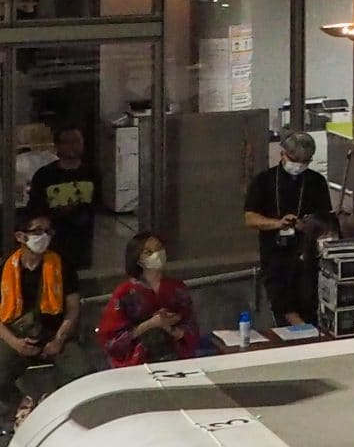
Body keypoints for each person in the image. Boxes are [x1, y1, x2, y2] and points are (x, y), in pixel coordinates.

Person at [242, 130, 335, 328]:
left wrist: (308, 224)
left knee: (308, 300)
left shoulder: (316, 182)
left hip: (307, 257)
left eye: (305, 162)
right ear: (282, 154)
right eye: (295, 160)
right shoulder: (263, 181)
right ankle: (300, 331)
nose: (298, 166)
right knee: (282, 303)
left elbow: (326, 219)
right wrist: (278, 223)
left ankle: (307, 331)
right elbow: (250, 218)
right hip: (275, 256)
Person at [0, 210, 73, 413]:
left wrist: (58, 340)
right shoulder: (5, 267)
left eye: (48, 231)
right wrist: (14, 342)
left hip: (53, 333)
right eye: (38, 231)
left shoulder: (62, 265)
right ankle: (23, 406)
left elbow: (73, 310)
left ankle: (56, 408)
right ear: (20, 237)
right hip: (16, 334)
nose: (45, 236)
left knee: (81, 372)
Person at [98, 232, 205, 365]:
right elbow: (111, 341)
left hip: (176, 359)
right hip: (137, 363)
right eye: (149, 252)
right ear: (138, 259)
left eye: (159, 248)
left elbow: (191, 327)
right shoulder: (125, 292)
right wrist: (150, 324)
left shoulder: (177, 288)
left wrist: (170, 327)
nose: (157, 254)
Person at [24, 128, 97, 294]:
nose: (73, 146)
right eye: (67, 141)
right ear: (58, 146)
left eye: (77, 141)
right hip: (53, 239)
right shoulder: (45, 175)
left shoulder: (91, 172)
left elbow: (96, 202)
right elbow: (35, 207)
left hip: (82, 239)